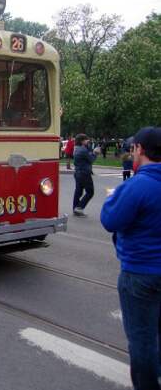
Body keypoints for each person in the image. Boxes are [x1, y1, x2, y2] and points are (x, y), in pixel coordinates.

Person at [100, 126, 161, 390]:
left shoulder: (138, 185)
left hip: (140, 273)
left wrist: (113, 198)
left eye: (133, 148)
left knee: (141, 339)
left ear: (140, 150)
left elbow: (110, 220)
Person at [72, 133, 100, 217]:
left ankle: (75, 208)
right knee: (90, 192)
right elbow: (91, 159)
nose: (88, 141)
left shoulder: (76, 149)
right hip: (84, 173)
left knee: (78, 191)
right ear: (82, 141)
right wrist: (95, 153)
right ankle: (79, 208)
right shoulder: (83, 150)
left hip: (78, 172)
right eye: (86, 139)